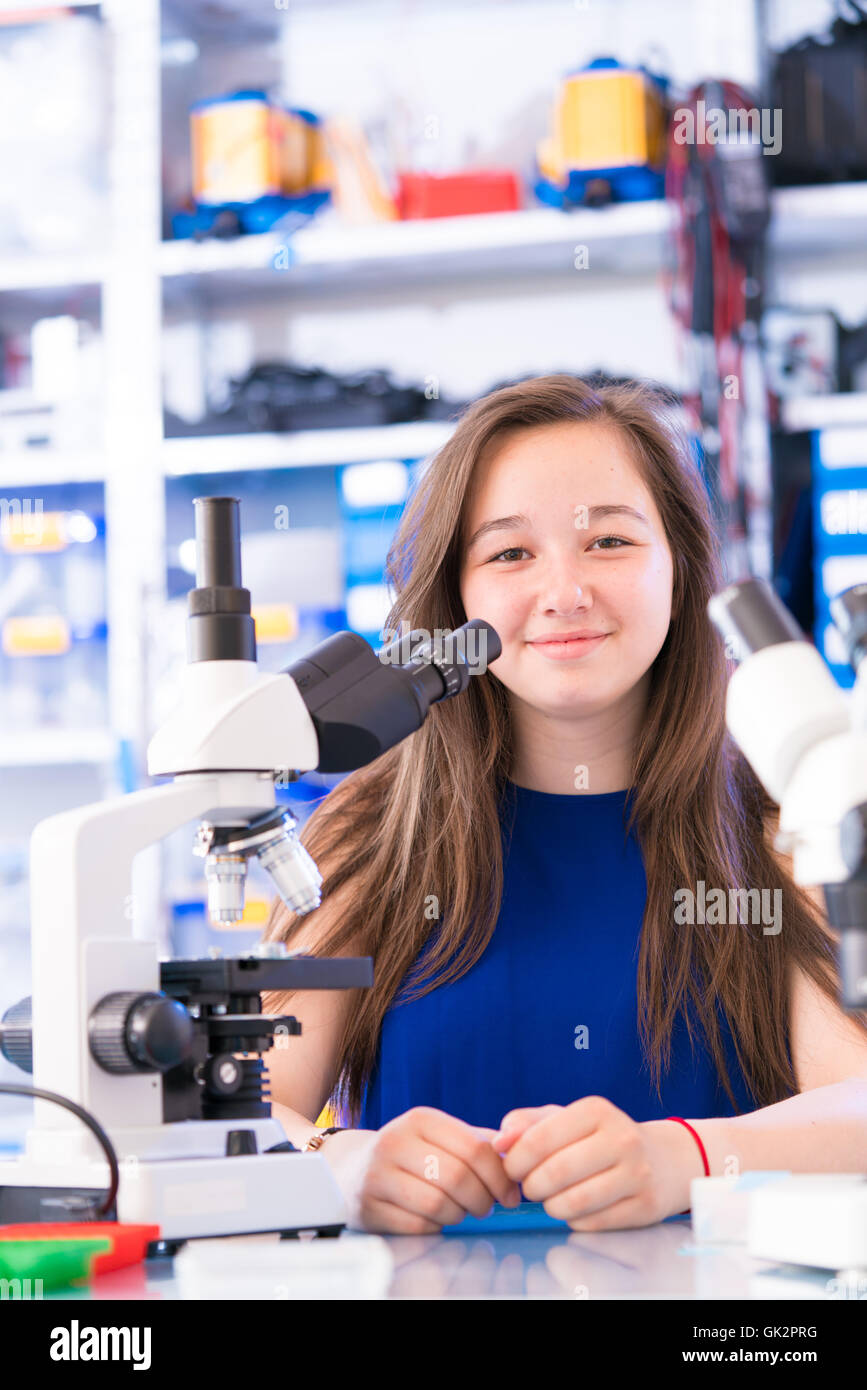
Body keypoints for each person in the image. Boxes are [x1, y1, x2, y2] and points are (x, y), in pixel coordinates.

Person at [259, 373, 867, 1235]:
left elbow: (859, 1108)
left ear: (681, 568)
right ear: (454, 595)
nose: (566, 591)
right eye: (510, 553)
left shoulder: (782, 822)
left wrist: (683, 1157)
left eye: (609, 542)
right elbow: (239, 1112)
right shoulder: (370, 833)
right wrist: (339, 1165)